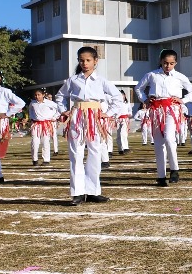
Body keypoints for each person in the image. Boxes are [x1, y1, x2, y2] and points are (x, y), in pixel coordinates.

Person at [55, 47, 123, 205]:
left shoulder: (101, 81)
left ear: (95, 61)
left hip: (95, 117)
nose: (84, 63)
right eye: (81, 60)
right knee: (76, 153)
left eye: (88, 60)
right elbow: (60, 96)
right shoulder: (73, 80)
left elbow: (117, 97)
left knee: (95, 152)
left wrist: (110, 113)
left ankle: (93, 191)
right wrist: (63, 110)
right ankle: (77, 192)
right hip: (77, 115)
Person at [134, 49, 192, 187]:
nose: (168, 66)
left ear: (175, 63)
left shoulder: (179, 76)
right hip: (156, 110)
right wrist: (145, 99)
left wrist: (183, 100)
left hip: (172, 109)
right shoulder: (152, 75)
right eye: (165, 63)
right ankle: (161, 176)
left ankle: (174, 169)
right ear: (160, 62)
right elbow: (138, 88)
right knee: (158, 143)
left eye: (171, 63)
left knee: (169, 138)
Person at [28, 89, 59, 166]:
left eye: (39, 95)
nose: (37, 96)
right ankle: (35, 159)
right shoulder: (33, 103)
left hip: (46, 124)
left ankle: (46, 160)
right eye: (36, 95)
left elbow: (59, 109)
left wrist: (55, 117)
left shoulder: (49, 103)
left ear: (43, 95)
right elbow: (30, 110)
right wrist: (32, 118)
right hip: (36, 124)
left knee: (45, 141)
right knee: (34, 142)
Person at [113, 90, 132, 155]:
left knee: (123, 133)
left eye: (122, 95)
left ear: (124, 95)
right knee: (118, 135)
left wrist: (129, 114)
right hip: (118, 119)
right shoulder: (116, 103)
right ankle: (120, 149)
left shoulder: (127, 103)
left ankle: (126, 148)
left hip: (125, 119)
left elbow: (130, 111)